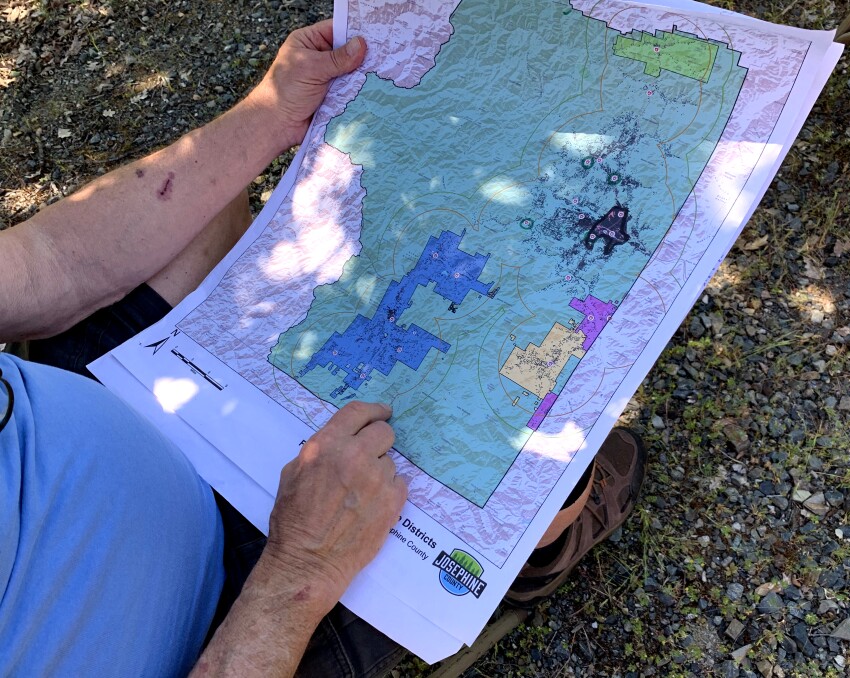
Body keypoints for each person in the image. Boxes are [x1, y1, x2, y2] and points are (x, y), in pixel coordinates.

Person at [0, 18, 646, 677]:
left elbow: (47, 264)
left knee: (199, 213)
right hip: (230, 621)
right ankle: (510, 573)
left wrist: (270, 113)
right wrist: (302, 569)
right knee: (544, 480)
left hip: (107, 406)